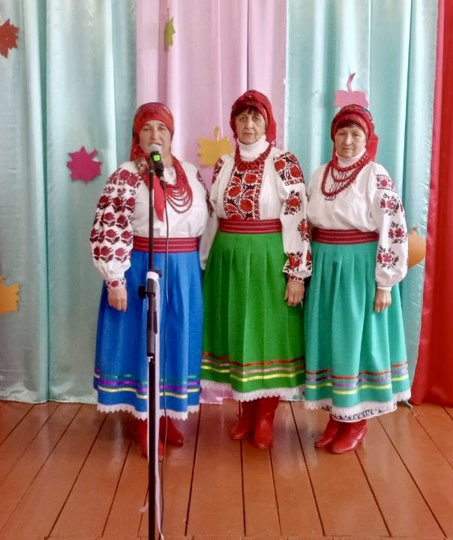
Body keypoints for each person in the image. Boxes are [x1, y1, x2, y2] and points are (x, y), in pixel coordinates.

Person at [90, 102, 208, 459]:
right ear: (137, 137)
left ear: (172, 135)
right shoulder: (126, 175)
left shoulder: (190, 173)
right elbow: (110, 226)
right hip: (142, 266)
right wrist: (115, 279)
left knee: (175, 343)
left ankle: (168, 416)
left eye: (162, 129)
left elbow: (206, 223)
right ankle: (146, 423)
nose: (155, 135)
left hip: (184, 270)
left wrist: (200, 269)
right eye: (147, 129)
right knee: (146, 346)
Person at [200, 90, 311, 449]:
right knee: (236, 332)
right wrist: (205, 263)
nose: (248, 125)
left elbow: (297, 219)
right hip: (227, 259)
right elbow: (213, 216)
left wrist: (296, 274)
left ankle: (265, 416)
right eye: (242, 118)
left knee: (268, 334)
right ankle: (245, 413)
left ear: (267, 124)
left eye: (256, 118)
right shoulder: (223, 164)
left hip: (267, 258)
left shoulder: (283, 162)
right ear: (233, 123)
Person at [303, 104, 410, 453]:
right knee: (330, 338)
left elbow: (393, 227)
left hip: (358, 269)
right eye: (342, 133)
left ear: (367, 139)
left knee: (355, 340)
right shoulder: (320, 174)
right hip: (325, 266)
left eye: (356, 134)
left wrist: (385, 282)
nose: (348, 141)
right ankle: (337, 415)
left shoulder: (375, 175)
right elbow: (307, 224)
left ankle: (356, 421)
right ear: (333, 136)